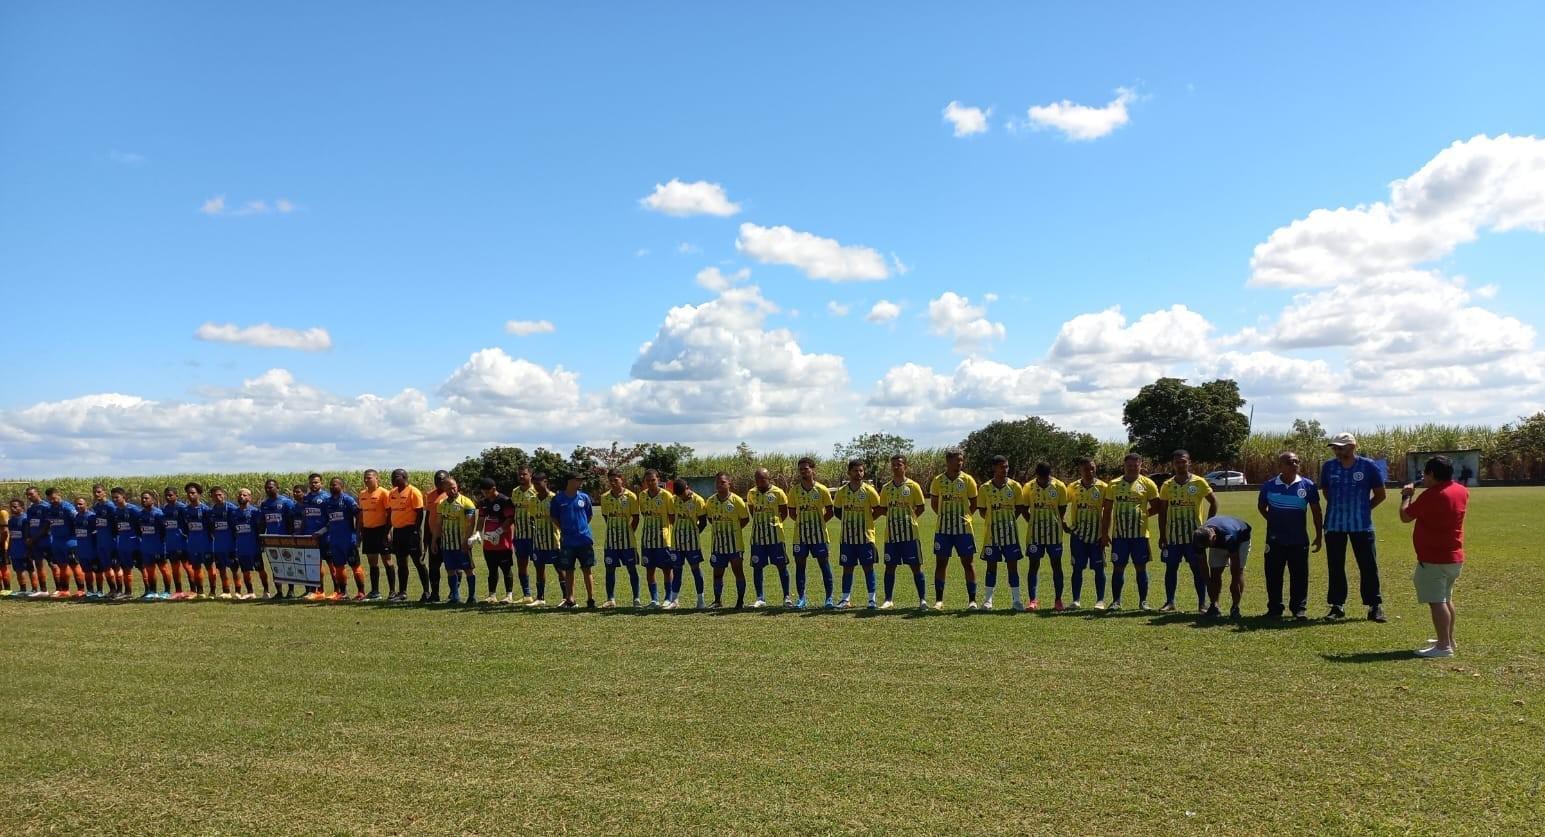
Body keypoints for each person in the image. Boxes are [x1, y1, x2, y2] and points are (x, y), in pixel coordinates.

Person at [1399, 455, 1468, 658]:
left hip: (1434, 559)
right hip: (1454, 556)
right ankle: (1448, 639)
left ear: (1432, 474)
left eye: (1425, 474)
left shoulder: (1431, 496)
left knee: (1437, 602)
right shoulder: (1461, 490)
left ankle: (1443, 646)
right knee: (1446, 599)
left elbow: (1405, 516)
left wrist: (1406, 496)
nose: (1423, 477)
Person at [1320, 432, 1388, 622]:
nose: (1336, 450)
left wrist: (1364, 509)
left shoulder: (1368, 466)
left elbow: (1380, 494)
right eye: (1334, 447)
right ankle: (1337, 606)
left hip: (1362, 525)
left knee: (1368, 565)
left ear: (1352, 446)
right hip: (1334, 524)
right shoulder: (1328, 467)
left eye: (1340, 447)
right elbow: (1326, 491)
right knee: (1335, 566)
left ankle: (1374, 606)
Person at [1257, 451, 1323, 620]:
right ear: (1280, 466)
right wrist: (1273, 521)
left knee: (1299, 576)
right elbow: (1261, 507)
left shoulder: (1308, 485)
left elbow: (1316, 512)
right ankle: (1275, 608)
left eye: (1296, 461)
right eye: (1289, 462)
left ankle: (1298, 608)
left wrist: (1318, 535)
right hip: (1274, 540)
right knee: (1273, 575)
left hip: (1298, 539)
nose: (1294, 464)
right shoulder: (1269, 485)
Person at [1157, 450, 1217, 614]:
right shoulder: (1167, 485)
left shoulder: (1199, 482)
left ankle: (1202, 604)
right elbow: (1162, 512)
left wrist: (1208, 526)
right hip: (1173, 537)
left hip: (1194, 537)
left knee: (1198, 570)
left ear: (1189, 462)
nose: (1180, 465)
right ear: (1173, 464)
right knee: (1171, 569)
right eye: (1177, 462)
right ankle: (1170, 602)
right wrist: (1162, 534)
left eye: (1183, 461)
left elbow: (1214, 502)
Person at [929, 448, 979, 610]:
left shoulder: (968, 480)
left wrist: (964, 517)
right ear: (948, 461)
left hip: (964, 530)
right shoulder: (938, 480)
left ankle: (972, 601)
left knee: (968, 564)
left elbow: (974, 503)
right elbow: (934, 504)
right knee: (941, 564)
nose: (960, 463)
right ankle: (939, 601)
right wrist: (944, 517)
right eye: (957, 460)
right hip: (943, 530)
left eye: (961, 460)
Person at [879, 454, 928, 610]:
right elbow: (883, 508)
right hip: (891, 535)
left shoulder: (913, 486)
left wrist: (909, 519)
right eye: (893, 464)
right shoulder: (886, 488)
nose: (895, 467)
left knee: (916, 566)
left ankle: (922, 600)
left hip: (910, 535)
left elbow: (921, 507)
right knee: (890, 566)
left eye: (899, 464)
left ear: (905, 466)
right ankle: (888, 599)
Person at [832, 459, 882, 609]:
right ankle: (845, 599)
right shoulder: (842, 491)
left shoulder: (869, 490)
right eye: (855, 470)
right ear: (849, 472)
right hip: (847, 538)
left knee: (868, 567)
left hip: (866, 537)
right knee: (847, 568)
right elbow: (837, 511)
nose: (859, 473)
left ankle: (872, 600)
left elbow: (878, 509)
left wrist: (866, 521)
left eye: (861, 470)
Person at [977, 455, 1025, 611]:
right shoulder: (985, 488)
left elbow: (1019, 508)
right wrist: (994, 521)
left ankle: (1016, 601)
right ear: (994, 468)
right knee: (991, 567)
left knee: (1013, 567)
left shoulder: (1015, 486)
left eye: (1006, 467)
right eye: (1001, 467)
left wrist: (1007, 521)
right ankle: (988, 601)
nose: (1005, 470)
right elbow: (982, 511)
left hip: (1011, 534)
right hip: (991, 535)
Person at [789, 457, 834, 609]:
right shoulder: (794, 490)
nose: (803, 471)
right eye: (801, 469)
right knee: (800, 566)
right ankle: (801, 598)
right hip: (800, 536)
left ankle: (829, 598)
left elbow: (830, 511)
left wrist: (818, 523)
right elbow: (791, 512)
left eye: (806, 469)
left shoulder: (822, 489)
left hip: (819, 536)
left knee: (824, 565)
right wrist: (803, 523)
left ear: (813, 470)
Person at [1023, 462, 1069, 611]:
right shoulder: (1028, 487)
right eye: (1041, 476)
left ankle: (1058, 600)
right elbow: (1024, 508)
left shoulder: (1059, 486)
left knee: (1056, 565)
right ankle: (1032, 601)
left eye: (1046, 476)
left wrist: (1056, 521)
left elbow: (1062, 508)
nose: (1043, 479)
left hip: (1054, 534)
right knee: (1033, 566)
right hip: (1034, 535)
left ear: (1050, 474)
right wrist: (1032, 522)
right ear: (1036, 474)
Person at [745, 468, 792, 608]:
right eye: (757, 479)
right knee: (757, 567)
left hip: (776, 537)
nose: (759, 482)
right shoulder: (751, 493)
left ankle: (787, 597)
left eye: (762, 479)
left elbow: (784, 513)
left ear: (769, 479)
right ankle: (760, 598)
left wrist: (774, 524)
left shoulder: (778, 492)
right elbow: (752, 511)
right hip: (757, 538)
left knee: (781, 566)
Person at [1066, 457, 1109, 610]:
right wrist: (1065, 523)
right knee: (1077, 568)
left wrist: (1105, 534)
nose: (1090, 472)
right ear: (1080, 470)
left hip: (1097, 536)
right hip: (1078, 535)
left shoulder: (1103, 487)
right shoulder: (1072, 487)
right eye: (1086, 469)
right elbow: (1062, 504)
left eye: (1092, 468)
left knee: (1099, 568)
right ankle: (1076, 600)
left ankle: (1100, 600)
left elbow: (1108, 511)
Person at [550, 473, 596, 609]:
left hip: (584, 540)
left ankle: (591, 599)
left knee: (587, 569)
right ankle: (570, 599)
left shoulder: (584, 497)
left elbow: (589, 515)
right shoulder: (558, 499)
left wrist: (581, 528)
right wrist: (564, 529)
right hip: (567, 541)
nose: (581, 482)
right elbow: (554, 517)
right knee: (568, 570)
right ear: (570, 481)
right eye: (578, 480)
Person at [1191, 515, 1251, 619]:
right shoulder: (1198, 538)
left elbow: (1235, 564)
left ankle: (1235, 607)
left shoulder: (1230, 536)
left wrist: (1234, 582)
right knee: (1215, 573)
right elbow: (1203, 564)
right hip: (1219, 539)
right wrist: (1208, 582)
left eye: (1208, 546)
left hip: (1241, 539)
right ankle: (1214, 606)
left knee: (1238, 574)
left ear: (1213, 538)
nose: (1207, 548)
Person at [704, 473, 750, 609]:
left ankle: (740, 601)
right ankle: (717, 601)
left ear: (729, 483)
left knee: (738, 572)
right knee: (717, 574)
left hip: (735, 545)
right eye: (717, 482)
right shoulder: (710, 501)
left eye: (723, 482)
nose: (719, 485)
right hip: (718, 545)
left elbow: (745, 519)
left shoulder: (737, 500)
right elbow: (710, 519)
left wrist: (732, 531)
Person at [431, 477, 479, 605]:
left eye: (454, 487)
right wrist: (434, 540)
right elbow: (438, 524)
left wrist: (466, 541)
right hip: (447, 544)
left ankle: (472, 597)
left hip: (462, 543)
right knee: (450, 569)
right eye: (449, 488)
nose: (452, 490)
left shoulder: (466, 502)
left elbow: (471, 524)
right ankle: (455, 597)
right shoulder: (442, 504)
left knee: (468, 569)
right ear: (444, 489)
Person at [600, 470, 641, 608]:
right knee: (610, 569)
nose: (613, 483)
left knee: (631, 569)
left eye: (615, 480)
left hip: (628, 541)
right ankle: (610, 599)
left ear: (621, 479)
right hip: (611, 542)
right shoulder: (604, 497)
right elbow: (606, 517)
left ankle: (636, 598)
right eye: (610, 480)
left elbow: (636, 518)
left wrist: (628, 532)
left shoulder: (631, 496)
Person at [636, 470, 676, 608]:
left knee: (667, 569)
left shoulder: (666, 495)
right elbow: (643, 514)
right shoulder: (642, 496)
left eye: (653, 480)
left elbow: (672, 517)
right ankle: (654, 599)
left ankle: (668, 598)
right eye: (648, 480)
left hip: (663, 540)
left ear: (658, 479)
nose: (651, 483)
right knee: (649, 569)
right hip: (647, 539)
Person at [387, 469, 427, 603]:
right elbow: (391, 512)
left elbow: (419, 513)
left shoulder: (413, 492)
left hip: (411, 531)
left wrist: (415, 532)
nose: (393, 479)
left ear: (404, 477)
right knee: (401, 563)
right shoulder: (392, 493)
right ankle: (402, 592)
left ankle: (427, 592)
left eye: (396, 477)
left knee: (418, 562)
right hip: (398, 532)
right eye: (392, 477)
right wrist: (388, 531)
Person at [322, 477, 364, 600]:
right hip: (334, 540)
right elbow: (327, 520)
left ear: (342, 486)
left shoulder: (347, 500)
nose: (332, 487)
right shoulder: (327, 502)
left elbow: (359, 515)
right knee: (339, 567)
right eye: (331, 485)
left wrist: (357, 534)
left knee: (355, 566)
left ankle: (361, 592)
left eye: (335, 484)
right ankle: (343, 593)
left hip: (348, 539)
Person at [476, 477, 517, 604]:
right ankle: (492, 595)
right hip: (488, 543)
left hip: (503, 543)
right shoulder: (483, 502)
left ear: (493, 489)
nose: (485, 494)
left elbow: (510, 519)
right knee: (492, 570)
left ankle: (509, 595)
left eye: (487, 491)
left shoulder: (505, 501)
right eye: (483, 492)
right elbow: (481, 518)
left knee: (506, 569)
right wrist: (478, 532)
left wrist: (498, 531)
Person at [670, 478, 709, 608]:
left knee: (695, 570)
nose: (681, 497)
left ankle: (700, 600)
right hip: (676, 542)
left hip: (692, 543)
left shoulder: (698, 500)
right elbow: (671, 517)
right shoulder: (674, 500)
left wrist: (694, 534)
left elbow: (703, 522)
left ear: (687, 487)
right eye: (679, 495)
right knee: (677, 570)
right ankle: (674, 600)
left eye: (683, 494)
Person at [357, 469, 394, 601]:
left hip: (381, 530)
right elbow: (361, 514)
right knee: (372, 562)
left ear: (377, 479)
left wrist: (387, 532)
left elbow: (390, 513)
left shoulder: (384, 493)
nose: (366, 480)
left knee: (387, 561)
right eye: (365, 478)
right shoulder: (362, 494)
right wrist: (360, 531)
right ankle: (375, 591)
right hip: (368, 531)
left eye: (369, 478)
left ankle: (392, 591)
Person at [260, 480, 297, 599]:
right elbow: (263, 522)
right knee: (275, 566)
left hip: (285, 539)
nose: (268, 490)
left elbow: (291, 521)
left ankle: (291, 591)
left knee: (289, 564)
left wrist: (291, 536)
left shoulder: (286, 502)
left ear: (277, 487)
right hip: (271, 540)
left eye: (270, 487)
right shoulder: (264, 504)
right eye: (266, 488)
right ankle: (279, 592)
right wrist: (262, 537)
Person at [40, 488, 80, 597]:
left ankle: (81, 590)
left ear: (59, 495)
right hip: (57, 541)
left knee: (74, 565)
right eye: (49, 499)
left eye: (54, 498)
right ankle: (65, 590)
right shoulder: (50, 509)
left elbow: (78, 521)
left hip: (70, 541)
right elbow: (48, 523)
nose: (52, 501)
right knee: (62, 566)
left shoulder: (68, 507)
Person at [510, 468, 542, 605]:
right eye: (519, 474)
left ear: (531, 475)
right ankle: (527, 594)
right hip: (520, 536)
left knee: (539, 565)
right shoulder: (515, 492)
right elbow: (512, 513)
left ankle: (540, 596)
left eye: (524, 474)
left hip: (535, 536)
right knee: (522, 565)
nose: (521, 476)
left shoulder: (536, 491)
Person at [529, 473, 560, 606]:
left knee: (560, 569)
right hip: (538, 541)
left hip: (554, 541)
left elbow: (560, 518)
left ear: (545, 482)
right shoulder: (532, 500)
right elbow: (532, 518)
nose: (536, 486)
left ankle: (566, 597)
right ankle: (540, 598)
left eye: (538, 483)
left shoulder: (554, 498)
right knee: (539, 569)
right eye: (534, 484)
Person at [232, 488, 269, 599]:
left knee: (260, 570)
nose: (241, 497)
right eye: (240, 495)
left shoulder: (255, 512)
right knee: (245, 571)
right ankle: (250, 592)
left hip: (254, 547)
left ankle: (266, 591)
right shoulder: (234, 513)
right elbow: (234, 530)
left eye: (244, 495)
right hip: (241, 548)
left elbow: (261, 528)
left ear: (249, 498)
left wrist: (261, 542)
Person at [299, 474, 331, 600]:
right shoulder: (306, 498)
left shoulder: (326, 498)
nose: (314, 484)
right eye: (311, 482)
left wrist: (321, 531)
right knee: (314, 565)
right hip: (309, 537)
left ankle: (338, 591)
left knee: (331, 564)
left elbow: (331, 518)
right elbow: (304, 517)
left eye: (316, 482)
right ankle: (317, 591)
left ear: (321, 483)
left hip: (324, 537)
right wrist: (301, 532)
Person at [135, 491, 170, 599]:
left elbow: (164, 531)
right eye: (142, 498)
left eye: (146, 498)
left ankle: (167, 591)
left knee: (163, 569)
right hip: (146, 547)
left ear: (153, 500)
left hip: (158, 547)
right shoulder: (140, 514)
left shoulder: (158, 514)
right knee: (150, 570)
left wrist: (161, 542)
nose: (143, 500)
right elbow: (138, 530)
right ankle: (153, 591)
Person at [206, 486, 239, 598]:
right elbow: (211, 528)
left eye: (220, 495)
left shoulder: (231, 509)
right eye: (215, 495)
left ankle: (238, 592)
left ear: (224, 495)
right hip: (218, 546)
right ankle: (226, 591)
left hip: (231, 545)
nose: (218, 497)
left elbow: (236, 527)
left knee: (234, 569)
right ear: (211, 497)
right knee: (221, 569)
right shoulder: (211, 511)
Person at [422, 470, 450, 603]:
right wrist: (425, 539)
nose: (439, 482)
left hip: (449, 537)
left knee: (452, 566)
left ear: (448, 479)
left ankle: (453, 593)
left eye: (442, 479)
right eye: (437, 479)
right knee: (434, 567)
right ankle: (435, 594)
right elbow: (428, 516)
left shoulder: (451, 494)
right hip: (434, 538)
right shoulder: (430, 495)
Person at [183, 483, 213, 597]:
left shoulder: (206, 510)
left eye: (193, 493)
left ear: (199, 494)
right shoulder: (185, 510)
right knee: (196, 567)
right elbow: (185, 528)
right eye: (188, 493)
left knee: (210, 567)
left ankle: (213, 591)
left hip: (206, 543)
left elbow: (211, 527)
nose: (190, 495)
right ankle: (200, 592)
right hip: (192, 543)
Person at [108, 487, 139, 600]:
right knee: (125, 569)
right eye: (113, 498)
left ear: (124, 497)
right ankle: (128, 592)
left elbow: (140, 524)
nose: (114, 500)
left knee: (142, 568)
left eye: (117, 497)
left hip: (133, 543)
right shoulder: (115, 512)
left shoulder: (133, 510)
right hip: (122, 544)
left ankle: (149, 591)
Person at [89, 485, 118, 597]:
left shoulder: (111, 506)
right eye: (94, 492)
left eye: (99, 492)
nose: (96, 494)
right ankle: (112, 590)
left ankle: (120, 591)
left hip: (111, 541)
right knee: (106, 567)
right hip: (101, 541)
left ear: (104, 492)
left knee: (116, 567)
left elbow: (116, 523)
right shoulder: (96, 506)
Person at [70, 497, 101, 598]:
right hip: (82, 549)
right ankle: (90, 591)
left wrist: (93, 536)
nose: (78, 506)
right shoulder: (76, 517)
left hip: (93, 549)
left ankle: (100, 591)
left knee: (97, 570)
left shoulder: (92, 517)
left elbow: (98, 531)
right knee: (87, 571)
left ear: (86, 504)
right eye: (76, 504)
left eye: (80, 504)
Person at [8, 499, 36, 596]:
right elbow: (11, 535)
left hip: (25, 549)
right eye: (11, 507)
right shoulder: (11, 520)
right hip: (15, 550)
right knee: (18, 570)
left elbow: (29, 536)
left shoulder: (26, 519)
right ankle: (22, 589)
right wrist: (9, 549)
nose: (13, 508)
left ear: (22, 507)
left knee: (30, 569)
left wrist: (30, 549)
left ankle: (35, 589)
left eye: (15, 506)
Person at [24, 486, 49, 595]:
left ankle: (60, 589)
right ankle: (43, 590)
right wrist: (28, 538)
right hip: (34, 542)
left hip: (46, 540)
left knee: (53, 564)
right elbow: (29, 524)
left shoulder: (46, 507)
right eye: (27, 495)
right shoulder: (30, 509)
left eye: (31, 494)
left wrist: (33, 538)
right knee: (38, 565)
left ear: (38, 493)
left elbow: (47, 526)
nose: (29, 497)